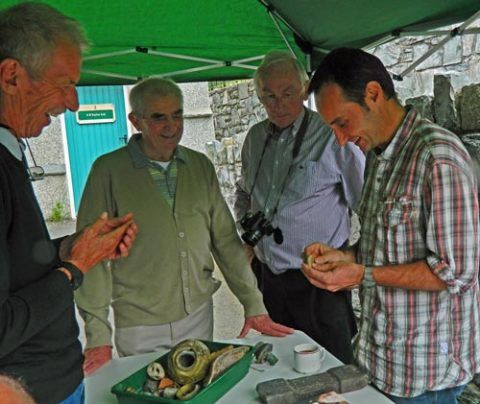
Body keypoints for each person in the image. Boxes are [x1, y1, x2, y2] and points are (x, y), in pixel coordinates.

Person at [75, 77, 293, 375]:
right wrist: (98, 336)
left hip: (198, 315)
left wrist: (253, 303)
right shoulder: (108, 170)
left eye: (177, 114)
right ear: (136, 121)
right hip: (140, 323)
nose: (172, 125)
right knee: (150, 393)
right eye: (159, 117)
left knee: (199, 388)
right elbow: (90, 257)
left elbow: (226, 242)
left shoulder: (199, 166)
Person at [304, 47, 480, 403]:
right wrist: (342, 256)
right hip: (377, 361)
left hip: (425, 376)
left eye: (342, 123)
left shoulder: (437, 157)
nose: (340, 139)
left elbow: (457, 273)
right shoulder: (377, 156)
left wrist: (360, 275)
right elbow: (379, 247)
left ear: (373, 94)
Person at [0, 2, 138, 403]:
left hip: (53, 382)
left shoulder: (9, 150)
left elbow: (16, 265)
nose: (73, 103)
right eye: (64, 85)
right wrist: (75, 268)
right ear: (11, 76)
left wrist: (71, 248)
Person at [234, 51, 365, 364]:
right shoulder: (254, 138)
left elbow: (366, 203)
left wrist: (355, 259)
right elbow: (243, 192)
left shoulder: (332, 135)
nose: (278, 104)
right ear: (258, 96)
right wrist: (247, 233)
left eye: (288, 93)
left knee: (333, 367)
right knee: (280, 364)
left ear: (305, 90)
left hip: (320, 281)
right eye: (269, 95)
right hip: (269, 279)